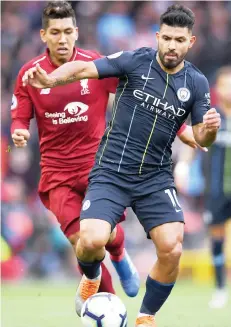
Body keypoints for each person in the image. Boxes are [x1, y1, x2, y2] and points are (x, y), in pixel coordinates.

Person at [22, 4, 221, 327]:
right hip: (111, 171)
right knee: (90, 241)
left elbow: (202, 138)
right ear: (158, 37)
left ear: (191, 42)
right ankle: (90, 278)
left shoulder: (196, 84)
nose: (172, 45)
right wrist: (50, 79)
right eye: (167, 38)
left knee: (172, 248)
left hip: (155, 177)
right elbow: (80, 70)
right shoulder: (135, 61)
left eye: (179, 40)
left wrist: (209, 129)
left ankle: (145, 317)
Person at [11, 1, 140, 299]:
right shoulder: (29, 73)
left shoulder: (94, 64)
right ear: (43, 35)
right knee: (82, 243)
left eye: (68, 31)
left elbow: (125, 93)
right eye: (55, 32)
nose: (62, 39)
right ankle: (108, 302)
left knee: (102, 237)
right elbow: (20, 114)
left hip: (98, 170)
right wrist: (18, 131)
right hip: (58, 175)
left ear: (76, 32)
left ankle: (119, 254)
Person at [175, 66, 231, 309]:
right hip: (216, 189)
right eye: (225, 84)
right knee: (217, 238)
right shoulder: (210, 115)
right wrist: (183, 167)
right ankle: (220, 289)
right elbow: (193, 141)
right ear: (217, 88)